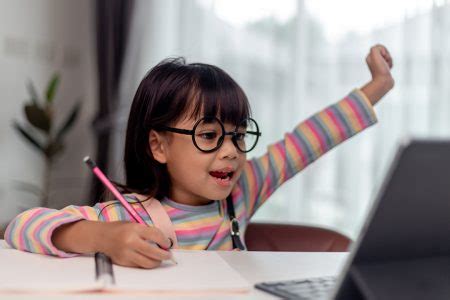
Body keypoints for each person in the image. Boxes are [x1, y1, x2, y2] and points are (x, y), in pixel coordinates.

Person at [4, 44, 394, 269]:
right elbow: (19, 226)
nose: (230, 151)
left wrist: (377, 86)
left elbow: (310, 139)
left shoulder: (243, 189)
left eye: (239, 136)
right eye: (209, 135)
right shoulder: (126, 215)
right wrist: (101, 236)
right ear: (158, 145)